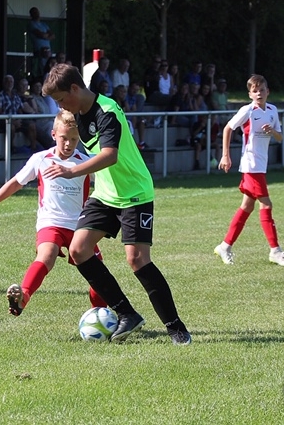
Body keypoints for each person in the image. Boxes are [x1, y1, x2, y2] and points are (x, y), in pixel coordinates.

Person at [42, 63, 191, 345]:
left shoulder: (107, 111)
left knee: (137, 260)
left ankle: (176, 327)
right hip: (105, 194)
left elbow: (110, 155)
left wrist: (71, 171)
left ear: (74, 89)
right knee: (78, 250)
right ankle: (126, 314)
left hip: (134, 192)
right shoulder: (77, 113)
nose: (60, 106)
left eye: (61, 99)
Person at [0, 110, 107, 316]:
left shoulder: (85, 162)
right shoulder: (41, 159)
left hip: (79, 226)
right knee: (47, 255)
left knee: (97, 271)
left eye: (74, 139)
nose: (68, 144)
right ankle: (23, 297)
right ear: (53, 135)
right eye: (64, 138)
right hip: (50, 223)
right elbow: (16, 183)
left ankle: (100, 314)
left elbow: (108, 184)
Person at [215, 74, 284, 267]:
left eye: (262, 90)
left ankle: (225, 246)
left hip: (261, 165)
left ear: (268, 91)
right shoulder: (248, 110)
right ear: (250, 94)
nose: (259, 93)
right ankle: (275, 251)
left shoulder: (272, 110)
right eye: (255, 91)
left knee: (247, 207)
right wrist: (225, 155)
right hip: (250, 165)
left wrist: (272, 131)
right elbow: (227, 128)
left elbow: (280, 137)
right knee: (266, 205)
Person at [0, 74, 38, 153]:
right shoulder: (0, 95)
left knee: (31, 125)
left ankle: (34, 148)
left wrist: (19, 119)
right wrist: (12, 121)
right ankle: (11, 148)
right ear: (4, 83)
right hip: (4, 121)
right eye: (7, 82)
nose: (9, 83)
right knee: (11, 127)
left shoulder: (16, 96)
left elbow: (20, 109)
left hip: (16, 119)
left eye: (11, 82)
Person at [27, 7, 55, 80]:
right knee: (41, 70)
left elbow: (52, 35)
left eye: (37, 12)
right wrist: (46, 36)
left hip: (48, 51)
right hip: (39, 51)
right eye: (34, 13)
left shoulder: (44, 24)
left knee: (49, 69)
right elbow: (41, 35)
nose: (36, 14)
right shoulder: (31, 24)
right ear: (31, 15)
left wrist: (45, 36)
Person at [125, 82, 146, 149]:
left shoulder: (134, 97)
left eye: (137, 90)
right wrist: (133, 111)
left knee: (142, 121)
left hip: (132, 115)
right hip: (125, 117)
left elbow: (135, 109)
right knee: (134, 118)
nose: (135, 91)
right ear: (129, 88)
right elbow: (127, 110)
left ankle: (141, 143)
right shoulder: (125, 96)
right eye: (133, 89)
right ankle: (131, 140)